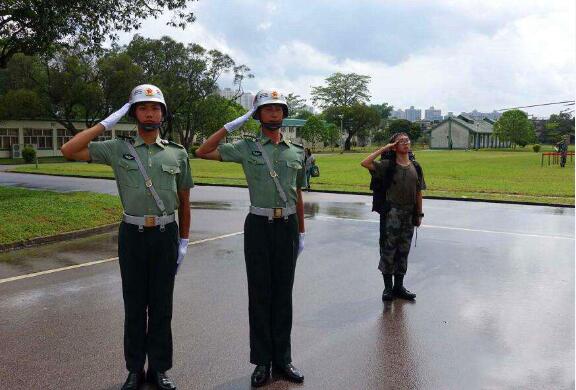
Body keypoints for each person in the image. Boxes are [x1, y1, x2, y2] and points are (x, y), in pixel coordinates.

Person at [61, 84, 193, 390]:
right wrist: (107, 122)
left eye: (155, 107)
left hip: (165, 233)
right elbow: (69, 150)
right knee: (134, 305)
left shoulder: (177, 152)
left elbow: (185, 201)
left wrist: (184, 241)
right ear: (133, 114)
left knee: (161, 306)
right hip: (132, 234)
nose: (150, 112)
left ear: (162, 114)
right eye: (143, 108)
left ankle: (159, 369)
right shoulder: (117, 149)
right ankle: (134, 369)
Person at [195, 89, 306, 387]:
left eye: (278, 109)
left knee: (283, 295)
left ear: (284, 114)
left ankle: (283, 359)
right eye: (267, 109)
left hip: (288, 227)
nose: (273, 114)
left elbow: (298, 194)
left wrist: (302, 232)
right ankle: (262, 362)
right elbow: (202, 151)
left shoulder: (297, 151)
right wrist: (232, 125)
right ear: (257, 115)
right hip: (258, 224)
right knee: (260, 295)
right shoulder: (245, 147)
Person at [360, 132, 425, 302]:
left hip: (409, 213)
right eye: (400, 141)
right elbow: (365, 163)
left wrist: (419, 214)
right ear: (394, 146)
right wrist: (385, 148)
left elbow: (419, 192)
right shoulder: (387, 165)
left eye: (407, 140)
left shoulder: (415, 167)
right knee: (388, 250)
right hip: (392, 214)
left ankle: (399, 287)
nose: (405, 143)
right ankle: (388, 288)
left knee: (403, 251)